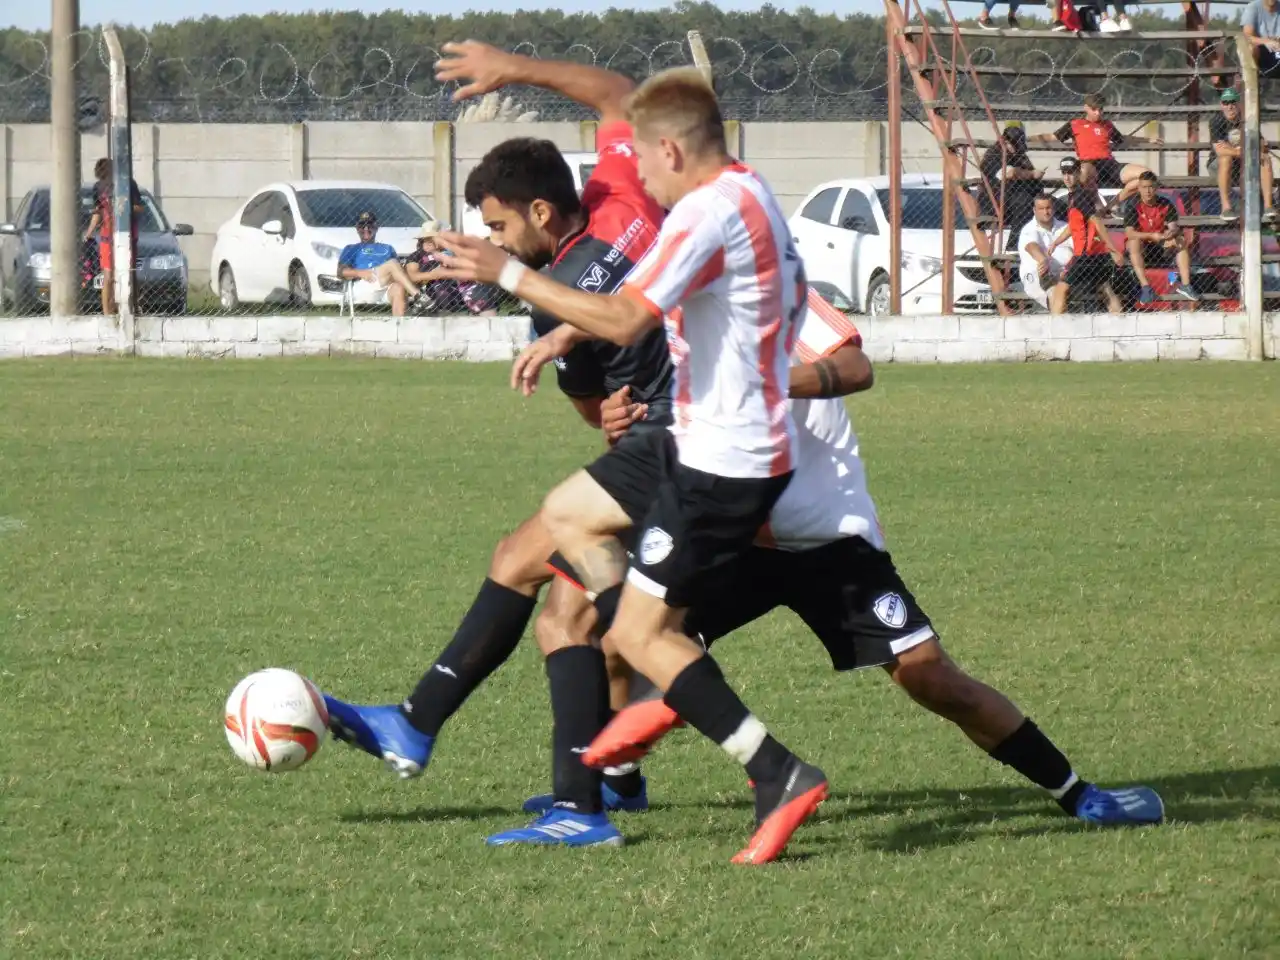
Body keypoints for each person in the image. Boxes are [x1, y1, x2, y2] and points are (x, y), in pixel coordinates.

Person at [533, 297, 1163, 833]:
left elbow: (856, 367)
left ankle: (1079, 794)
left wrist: (766, 384)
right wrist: (625, 420)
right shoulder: (673, 311)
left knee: (929, 677)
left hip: (826, 537)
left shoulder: (777, 293)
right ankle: (623, 784)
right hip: (736, 534)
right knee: (624, 641)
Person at [438, 66, 827, 865]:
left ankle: (754, 754)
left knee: (634, 629)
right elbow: (641, 301)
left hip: (719, 454)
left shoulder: (708, 214)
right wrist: (564, 330)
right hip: (733, 445)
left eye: (645, 163)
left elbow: (624, 317)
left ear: (672, 151)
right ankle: (685, 714)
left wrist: (506, 273)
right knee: (582, 545)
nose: (639, 180)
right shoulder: (749, 190)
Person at [322, 41, 672, 847]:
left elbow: (589, 405)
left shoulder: (552, 298)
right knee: (565, 614)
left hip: (678, 449)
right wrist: (517, 70)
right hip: (693, 430)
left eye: (499, 227)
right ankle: (604, 784)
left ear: (542, 212)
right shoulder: (623, 196)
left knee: (534, 574)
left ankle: (428, 728)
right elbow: (620, 93)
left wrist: (608, 418)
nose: (497, 243)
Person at [1031, 93, 1160, 211]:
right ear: (1086, 108)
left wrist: (1148, 139)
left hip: (1109, 164)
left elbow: (1122, 139)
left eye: (1100, 109)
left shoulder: (1107, 125)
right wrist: (1029, 138)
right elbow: (1052, 136)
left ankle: (1112, 205)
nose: (1098, 113)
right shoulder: (1075, 124)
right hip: (1089, 164)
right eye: (1094, 109)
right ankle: (1095, 205)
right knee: (1084, 171)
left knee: (1146, 175)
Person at [1046, 165, 1125, 315]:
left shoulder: (1079, 195)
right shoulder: (1075, 196)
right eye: (1064, 173)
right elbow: (1074, 225)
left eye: (1071, 173)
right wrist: (1056, 242)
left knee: (1061, 289)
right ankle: (1119, 319)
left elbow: (1096, 221)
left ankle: (1055, 326)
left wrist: (1113, 249)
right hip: (1094, 254)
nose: (1067, 177)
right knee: (1106, 289)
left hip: (1085, 255)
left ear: (1078, 174)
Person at [1123, 172, 1198, 304]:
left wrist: (1172, 232)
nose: (1148, 191)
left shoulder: (1165, 203)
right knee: (1133, 242)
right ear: (1139, 188)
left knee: (1180, 240)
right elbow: (1130, 233)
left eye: (1151, 187)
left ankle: (1186, 285)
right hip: (1142, 247)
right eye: (1144, 187)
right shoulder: (1132, 204)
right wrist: (1151, 235)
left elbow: (1173, 227)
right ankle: (1146, 288)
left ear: (1156, 187)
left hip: (1160, 244)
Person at [82, 157, 143, 315]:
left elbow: (139, 207)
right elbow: (98, 212)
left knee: (128, 274)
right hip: (107, 237)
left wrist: (124, 207)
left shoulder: (128, 184)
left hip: (126, 236)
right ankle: (107, 313)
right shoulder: (98, 187)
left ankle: (131, 308)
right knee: (108, 276)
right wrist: (89, 232)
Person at [1209, 88, 1277, 223]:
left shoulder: (1246, 119)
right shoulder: (1216, 120)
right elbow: (1220, 151)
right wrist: (1244, 150)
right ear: (1221, 105)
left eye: (1233, 102)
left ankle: (1268, 206)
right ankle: (1226, 208)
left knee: (1264, 158)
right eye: (1226, 103)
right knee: (1225, 158)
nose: (1230, 106)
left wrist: (1233, 149)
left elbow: (1260, 144)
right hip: (1218, 165)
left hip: (1243, 163)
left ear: (1239, 104)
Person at [336, 212, 421, 317]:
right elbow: (340, 272)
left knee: (399, 287)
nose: (366, 229)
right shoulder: (351, 248)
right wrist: (359, 272)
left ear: (376, 227)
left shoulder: (387, 248)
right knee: (392, 264)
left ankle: (399, 325)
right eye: (362, 226)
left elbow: (398, 273)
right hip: (363, 285)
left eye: (370, 225)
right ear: (357, 228)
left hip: (385, 288)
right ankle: (418, 295)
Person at [405, 219, 498, 315]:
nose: (428, 242)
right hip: (433, 287)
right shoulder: (416, 256)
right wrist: (434, 275)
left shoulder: (451, 250)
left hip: (458, 283)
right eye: (425, 239)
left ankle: (481, 309)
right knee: (441, 291)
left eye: (431, 238)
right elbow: (413, 277)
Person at [977, 124, 1044, 246]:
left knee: (1051, 204)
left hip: (1014, 196)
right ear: (1005, 142)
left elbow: (1028, 171)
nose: (1018, 150)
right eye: (1015, 146)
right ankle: (1014, 245)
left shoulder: (1017, 154)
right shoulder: (993, 154)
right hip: (996, 200)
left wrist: (1032, 174)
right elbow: (1007, 173)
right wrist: (1031, 174)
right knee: (1024, 201)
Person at [1018, 193, 1071, 311]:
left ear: (1054, 208)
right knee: (1054, 292)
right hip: (1038, 275)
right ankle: (1058, 319)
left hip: (1066, 274)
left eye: (1048, 208)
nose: (1045, 212)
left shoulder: (1064, 227)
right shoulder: (1029, 229)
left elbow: (1077, 248)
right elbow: (1032, 246)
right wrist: (1043, 260)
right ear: (1034, 210)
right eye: (1041, 209)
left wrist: (1069, 268)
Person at [1243, 0, 1280, 79]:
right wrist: (1267, 41)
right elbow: (1247, 36)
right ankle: (1254, 79)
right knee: (1250, 49)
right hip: (1260, 51)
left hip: (1278, 51)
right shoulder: (1253, 7)